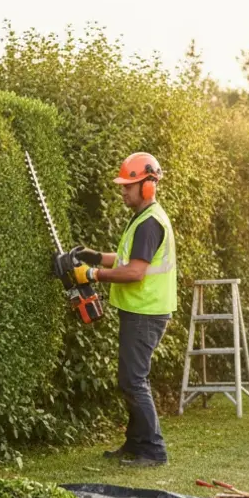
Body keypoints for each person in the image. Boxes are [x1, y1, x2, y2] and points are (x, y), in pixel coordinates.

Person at [71, 152, 177, 467]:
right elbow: (123, 261)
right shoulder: (142, 219)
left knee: (134, 379)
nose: (123, 191)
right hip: (140, 311)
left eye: (129, 185)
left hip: (147, 312)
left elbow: (134, 273)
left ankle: (153, 451)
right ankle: (135, 444)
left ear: (148, 186)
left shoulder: (149, 223)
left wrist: (91, 276)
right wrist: (91, 256)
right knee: (129, 378)